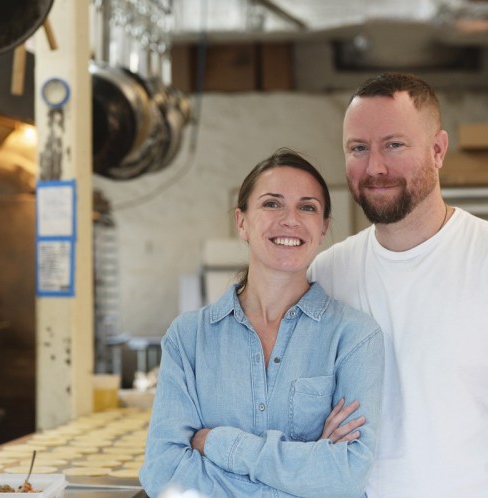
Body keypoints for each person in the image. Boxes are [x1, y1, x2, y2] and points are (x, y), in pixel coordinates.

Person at [308, 72, 488, 497]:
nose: (375, 166)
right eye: (358, 148)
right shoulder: (327, 274)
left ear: (438, 150)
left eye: (394, 145)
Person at [140, 148, 384, 498]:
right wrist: (307, 468)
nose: (290, 219)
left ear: (324, 228)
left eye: (307, 207)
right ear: (242, 222)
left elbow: (346, 477)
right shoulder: (188, 338)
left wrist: (218, 443)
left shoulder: (354, 337)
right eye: (272, 204)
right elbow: (163, 472)